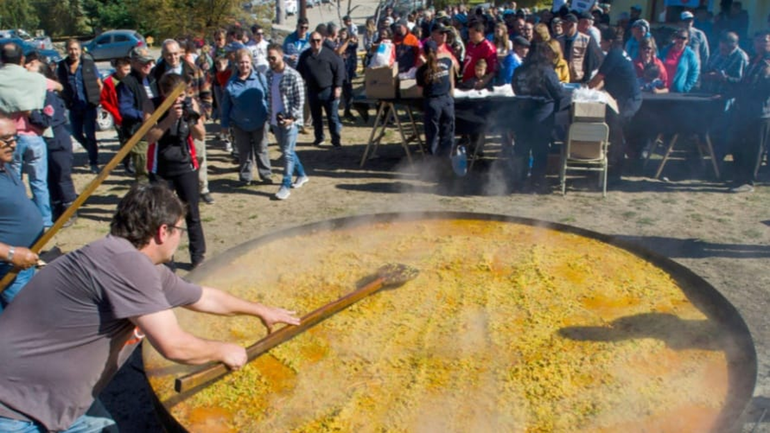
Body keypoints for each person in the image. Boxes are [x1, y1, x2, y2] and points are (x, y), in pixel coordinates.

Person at [0, 182, 300, 432]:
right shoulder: (127, 265)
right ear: (162, 231)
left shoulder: (120, 257)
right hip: (15, 409)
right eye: (180, 231)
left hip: (52, 398)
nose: (179, 240)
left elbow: (201, 297)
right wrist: (226, 350)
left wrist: (260, 309)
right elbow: (174, 346)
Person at [143, 74, 207, 268]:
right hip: (160, 167)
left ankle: (198, 256)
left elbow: (201, 135)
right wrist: (169, 119)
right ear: (163, 93)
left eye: (181, 95)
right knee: (163, 217)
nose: (178, 100)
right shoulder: (152, 104)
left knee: (192, 213)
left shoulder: (190, 103)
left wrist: (191, 119)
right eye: (173, 97)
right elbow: (149, 136)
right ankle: (166, 260)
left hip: (186, 165)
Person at [153, 39, 215, 205]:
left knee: (198, 154)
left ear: (180, 53)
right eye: (168, 55)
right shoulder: (157, 73)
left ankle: (203, 188)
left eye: (175, 54)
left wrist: (203, 114)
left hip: (191, 117)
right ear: (163, 55)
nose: (172, 57)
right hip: (168, 120)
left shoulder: (193, 70)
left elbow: (206, 93)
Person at [0, 43, 52, 228]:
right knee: (39, 182)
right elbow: (57, 86)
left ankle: (19, 218)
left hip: (7, 137)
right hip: (34, 135)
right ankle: (45, 221)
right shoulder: (36, 79)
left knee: (14, 182)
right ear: (22, 59)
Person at [25, 57, 79, 228]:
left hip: (57, 140)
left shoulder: (49, 96)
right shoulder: (35, 93)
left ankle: (69, 211)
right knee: (48, 178)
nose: (27, 65)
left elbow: (47, 120)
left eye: (33, 64)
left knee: (62, 177)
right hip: (46, 141)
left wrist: (30, 113)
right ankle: (55, 208)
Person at [0, 114, 42, 312]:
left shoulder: (5, 168)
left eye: (14, 138)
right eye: (6, 139)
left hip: (23, 262)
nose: (13, 144)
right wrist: (11, 253)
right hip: (6, 266)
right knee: (28, 318)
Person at [588, 26, 642, 181]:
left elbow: (598, 78)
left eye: (602, 42)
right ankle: (611, 166)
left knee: (617, 133)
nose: (600, 45)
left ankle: (616, 171)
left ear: (609, 42)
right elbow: (603, 80)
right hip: (624, 98)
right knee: (614, 131)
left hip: (629, 100)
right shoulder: (618, 53)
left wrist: (585, 88)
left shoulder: (614, 55)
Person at [511, 43, 564, 192]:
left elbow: (515, 89)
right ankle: (536, 182)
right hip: (542, 115)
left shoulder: (519, 71)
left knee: (521, 148)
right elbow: (558, 92)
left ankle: (519, 181)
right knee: (539, 149)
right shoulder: (546, 71)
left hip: (521, 114)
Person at [221, 49, 273, 187]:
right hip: (239, 124)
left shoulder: (260, 78)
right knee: (244, 152)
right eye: (241, 62)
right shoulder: (231, 83)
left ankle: (266, 175)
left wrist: (269, 116)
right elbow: (226, 106)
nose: (244, 65)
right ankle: (245, 177)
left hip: (260, 121)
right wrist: (224, 125)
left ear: (251, 63)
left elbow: (268, 97)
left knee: (261, 149)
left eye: (246, 62)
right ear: (236, 64)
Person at [726, 30, 770, 193]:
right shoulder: (753, 60)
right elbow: (744, 83)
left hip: (761, 112)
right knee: (738, 144)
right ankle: (738, 177)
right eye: (758, 41)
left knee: (754, 149)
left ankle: (748, 181)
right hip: (743, 110)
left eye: (765, 41)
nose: (761, 44)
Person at [266, 44, 310, 201]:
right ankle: (302, 175)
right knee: (287, 151)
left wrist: (292, 118)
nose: (270, 61)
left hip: (291, 121)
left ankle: (285, 184)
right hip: (275, 120)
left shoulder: (293, 75)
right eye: (268, 58)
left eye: (273, 57)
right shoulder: (269, 75)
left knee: (286, 153)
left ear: (281, 55)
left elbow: (300, 100)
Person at [56, 40, 102, 174]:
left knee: (90, 134)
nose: (73, 52)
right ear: (66, 50)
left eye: (76, 49)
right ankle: (92, 148)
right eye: (70, 49)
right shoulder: (62, 66)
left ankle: (94, 162)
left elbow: (99, 83)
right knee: (76, 133)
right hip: (74, 106)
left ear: (81, 50)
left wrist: (99, 101)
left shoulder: (88, 64)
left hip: (88, 105)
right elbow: (60, 85)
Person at [297, 31, 345, 148]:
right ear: (309, 42)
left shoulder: (330, 54)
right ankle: (319, 138)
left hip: (328, 90)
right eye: (313, 41)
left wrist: (338, 87)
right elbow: (299, 72)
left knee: (332, 117)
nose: (316, 43)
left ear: (322, 41)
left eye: (318, 40)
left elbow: (339, 69)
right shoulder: (305, 55)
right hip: (312, 91)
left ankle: (335, 140)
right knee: (316, 117)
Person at [118, 47, 158, 184]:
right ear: (134, 63)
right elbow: (125, 109)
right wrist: (146, 116)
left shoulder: (154, 79)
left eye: (149, 62)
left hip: (157, 131)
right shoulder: (127, 83)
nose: (147, 65)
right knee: (144, 174)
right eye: (143, 62)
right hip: (139, 133)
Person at [417, 40, 456, 158]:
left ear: (423, 53)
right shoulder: (447, 62)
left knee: (433, 134)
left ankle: (433, 163)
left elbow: (419, 92)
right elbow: (451, 80)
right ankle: (446, 161)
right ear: (437, 50)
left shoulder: (421, 71)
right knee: (448, 133)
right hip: (447, 101)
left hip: (433, 103)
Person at [101, 57, 132, 173]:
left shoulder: (132, 80)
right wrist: (115, 112)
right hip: (119, 116)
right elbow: (104, 100)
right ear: (118, 69)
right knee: (124, 141)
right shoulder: (109, 82)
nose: (128, 72)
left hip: (131, 114)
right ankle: (127, 162)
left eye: (129, 69)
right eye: (126, 69)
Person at [558, 13, 603, 84]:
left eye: (564, 24)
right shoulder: (559, 40)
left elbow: (589, 61)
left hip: (578, 78)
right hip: (562, 78)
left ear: (571, 25)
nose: (562, 27)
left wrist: (586, 79)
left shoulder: (586, 40)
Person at [660, 29, 700, 93]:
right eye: (678, 37)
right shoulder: (665, 50)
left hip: (678, 92)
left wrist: (685, 88)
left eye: (683, 38)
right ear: (674, 38)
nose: (680, 40)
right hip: (661, 90)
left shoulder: (690, 55)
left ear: (687, 40)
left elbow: (694, 73)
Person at [462, 21, 497, 86]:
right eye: (469, 33)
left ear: (481, 33)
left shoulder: (488, 48)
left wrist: (484, 81)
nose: (470, 36)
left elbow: (493, 70)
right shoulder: (470, 44)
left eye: (473, 33)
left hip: (478, 84)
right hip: (466, 81)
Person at [680, 11, 710, 76]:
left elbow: (705, 54)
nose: (688, 23)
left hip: (694, 70)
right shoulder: (676, 35)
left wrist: (703, 69)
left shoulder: (699, 34)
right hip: (680, 69)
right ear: (680, 22)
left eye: (690, 21)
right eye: (686, 21)